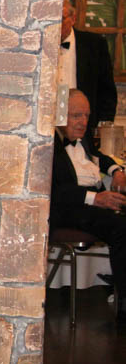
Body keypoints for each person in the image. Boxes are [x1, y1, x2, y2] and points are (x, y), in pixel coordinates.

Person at [50, 89, 126, 322]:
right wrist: (97, 199)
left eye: (86, 115)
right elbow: (56, 191)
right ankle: (124, 302)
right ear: (60, 115)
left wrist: (117, 171)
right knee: (119, 228)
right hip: (68, 209)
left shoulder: (82, 140)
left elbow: (100, 156)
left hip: (91, 204)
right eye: (76, 116)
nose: (83, 122)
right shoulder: (50, 143)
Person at [59, 0, 117, 141]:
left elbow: (107, 90)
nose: (55, 24)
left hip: (84, 128)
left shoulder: (94, 45)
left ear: (73, 19)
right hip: (46, 126)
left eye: (61, 19)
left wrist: (102, 127)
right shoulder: (36, 45)